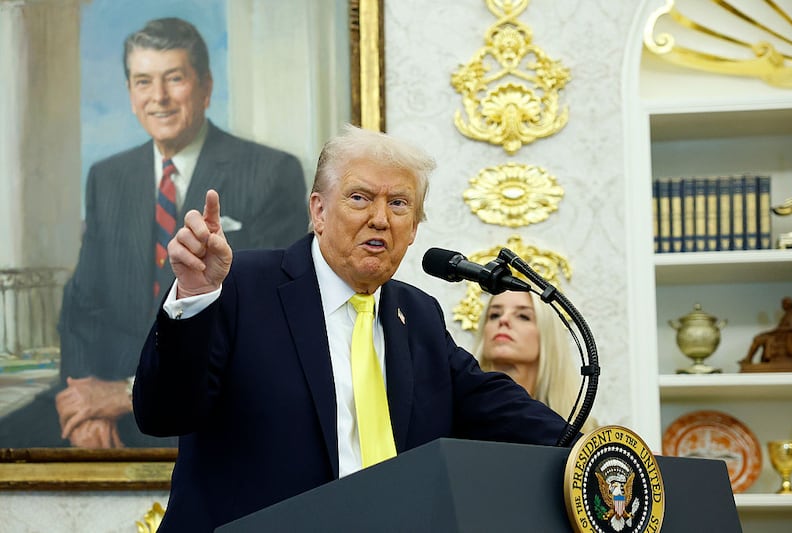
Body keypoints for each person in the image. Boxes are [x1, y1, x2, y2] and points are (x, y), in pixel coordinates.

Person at [133, 124, 575, 532]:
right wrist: (195, 297)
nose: (380, 218)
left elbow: (496, 407)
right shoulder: (239, 286)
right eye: (360, 198)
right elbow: (162, 413)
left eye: (398, 203)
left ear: (414, 228)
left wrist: (591, 452)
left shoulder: (418, 315)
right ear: (319, 211)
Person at [0, 17, 308, 449]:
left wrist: (124, 395)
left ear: (205, 87)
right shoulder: (108, 177)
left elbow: (264, 318)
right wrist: (84, 402)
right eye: (143, 82)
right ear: (130, 93)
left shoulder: (271, 173)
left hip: (203, 398)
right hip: (99, 392)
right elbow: (81, 307)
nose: (158, 97)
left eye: (174, 78)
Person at [475, 290, 598, 433]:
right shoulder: (457, 415)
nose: (503, 320)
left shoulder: (585, 432)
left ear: (547, 335)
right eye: (494, 315)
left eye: (523, 316)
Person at [740, 296, 792, 365]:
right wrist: (772, 331)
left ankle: (748, 359)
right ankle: (748, 359)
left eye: (783, 304)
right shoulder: (787, 315)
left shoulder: (791, 315)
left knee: (758, 339)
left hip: (781, 337)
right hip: (778, 335)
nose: (782, 306)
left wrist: (778, 330)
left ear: (788, 305)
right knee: (758, 338)